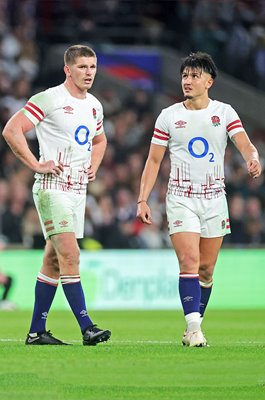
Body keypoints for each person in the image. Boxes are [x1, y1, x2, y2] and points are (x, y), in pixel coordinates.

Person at [136, 52, 262, 347]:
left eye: (194, 76)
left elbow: (244, 143)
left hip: (215, 198)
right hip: (181, 198)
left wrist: (253, 158)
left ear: (209, 81)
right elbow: (153, 161)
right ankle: (194, 329)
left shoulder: (225, 112)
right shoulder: (169, 116)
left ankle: (195, 323)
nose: (187, 81)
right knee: (189, 261)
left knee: (206, 269)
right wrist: (142, 199)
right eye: (184, 76)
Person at [2, 44, 111, 345]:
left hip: (78, 190)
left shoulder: (94, 106)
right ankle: (87, 327)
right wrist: (37, 163)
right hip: (53, 188)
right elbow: (12, 129)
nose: (89, 73)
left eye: (93, 67)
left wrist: (94, 166)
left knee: (52, 261)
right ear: (68, 69)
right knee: (70, 254)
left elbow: (100, 141)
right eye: (82, 67)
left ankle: (37, 332)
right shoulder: (50, 98)